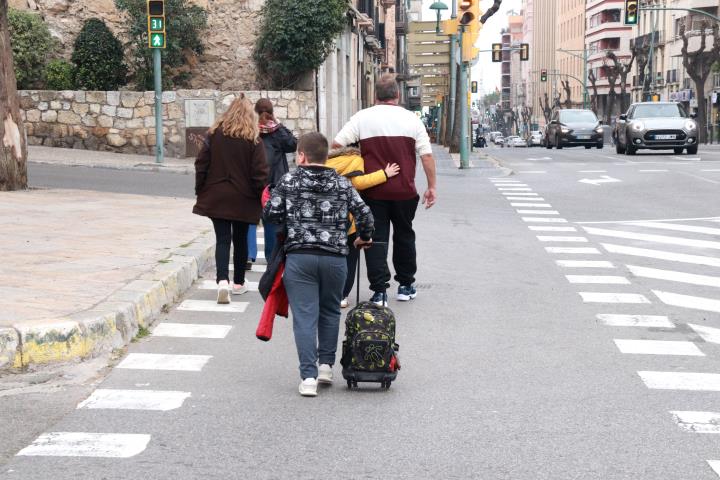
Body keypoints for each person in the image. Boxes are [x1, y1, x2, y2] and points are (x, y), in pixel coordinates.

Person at [263, 132, 374, 397]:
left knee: (304, 317)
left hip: (300, 258)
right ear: (325, 156)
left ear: (301, 155)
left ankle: (308, 377)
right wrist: (364, 237)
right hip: (335, 258)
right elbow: (365, 215)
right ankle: (326, 366)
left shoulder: (289, 180)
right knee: (330, 311)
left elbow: (271, 214)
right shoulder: (342, 183)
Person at [332, 74, 437, 306]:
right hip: (404, 192)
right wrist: (431, 186)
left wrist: (358, 157)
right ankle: (406, 285)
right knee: (404, 236)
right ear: (398, 95)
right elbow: (426, 156)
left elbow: (337, 145)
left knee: (375, 239)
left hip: (373, 191)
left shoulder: (362, 118)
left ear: (375, 96)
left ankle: (379, 291)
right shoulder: (412, 119)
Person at [193, 94, 269, 304]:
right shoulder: (254, 140)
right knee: (241, 238)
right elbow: (259, 173)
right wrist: (259, 196)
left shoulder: (214, 134)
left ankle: (222, 281)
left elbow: (201, 164)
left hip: (218, 196)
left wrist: (201, 189)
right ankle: (238, 283)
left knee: (223, 239)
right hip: (244, 199)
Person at [326, 146, 399, 308]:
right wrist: (384, 174)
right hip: (347, 222)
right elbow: (358, 182)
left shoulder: (328, 161)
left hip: (326, 221)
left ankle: (325, 293)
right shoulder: (356, 160)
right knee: (349, 261)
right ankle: (341, 295)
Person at [255, 98, 298, 261]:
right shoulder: (277, 132)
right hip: (275, 184)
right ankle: (272, 260)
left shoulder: (251, 130)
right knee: (273, 223)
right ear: (272, 113)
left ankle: (249, 254)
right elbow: (294, 144)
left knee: (255, 221)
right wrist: (279, 124)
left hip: (256, 182)